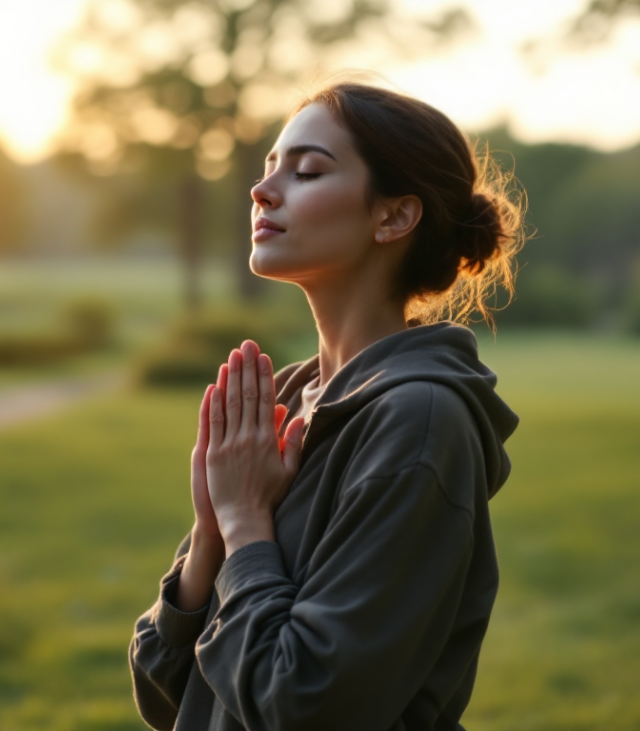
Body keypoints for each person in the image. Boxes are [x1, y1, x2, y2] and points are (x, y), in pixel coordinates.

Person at [128, 80, 524, 731]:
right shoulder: (285, 397)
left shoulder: (420, 423)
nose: (263, 190)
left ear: (393, 216)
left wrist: (246, 520)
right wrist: (212, 532)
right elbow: (165, 692)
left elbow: (305, 706)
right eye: (269, 167)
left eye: (308, 170)